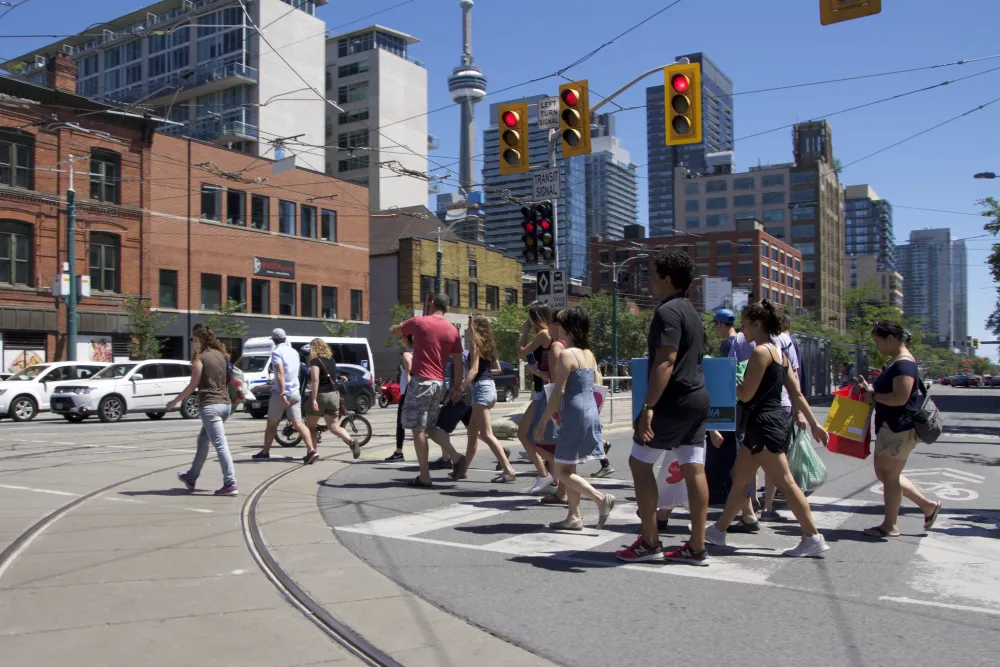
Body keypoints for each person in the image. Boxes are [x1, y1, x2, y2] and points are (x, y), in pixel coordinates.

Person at [705, 300, 830, 558]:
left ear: (758, 324)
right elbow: (797, 393)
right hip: (766, 423)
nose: (741, 330)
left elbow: (746, 394)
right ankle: (718, 530)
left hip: (763, 424)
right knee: (740, 479)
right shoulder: (779, 353)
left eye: (745, 325)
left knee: (785, 482)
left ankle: (812, 536)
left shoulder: (761, 353)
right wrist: (815, 424)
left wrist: (728, 380)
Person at [617, 249, 712, 565]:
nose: (649, 282)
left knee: (639, 463)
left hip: (672, 401)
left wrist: (648, 406)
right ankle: (697, 547)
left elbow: (666, 360)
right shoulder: (692, 312)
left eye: (653, 276)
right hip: (698, 399)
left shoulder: (666, 312)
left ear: (667, 278)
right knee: (693, 468)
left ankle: (649, 541)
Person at [857, 321, 941, 537]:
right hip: (892, 427)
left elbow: (900, 398)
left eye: (878, 341)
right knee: (887, 474)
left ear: (891, 339)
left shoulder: (904, 364)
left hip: (899, 428)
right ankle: (927, 506)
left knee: (890, 477)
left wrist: (873, 396)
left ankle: (890, 525)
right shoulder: (896, 362)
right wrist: (872, 389)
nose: (877, 346)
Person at [535, 307, 615, 530]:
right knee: (569, 467)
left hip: (572, 412)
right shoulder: (588, 353)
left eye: (560, 324)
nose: (556, 328)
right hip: (588, 411)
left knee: (561, 472)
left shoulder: (566, 355)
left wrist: (543, 421)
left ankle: (601, 499)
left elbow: (558, 391)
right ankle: (574, 516)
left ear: (568, 327)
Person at [390, 294, 464, 487]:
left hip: (421, 381)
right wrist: (457, 388)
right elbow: (458, 363)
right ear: (447, 308)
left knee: (418, 429)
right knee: (430, 426)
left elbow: (395, 332)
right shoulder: (452, 330)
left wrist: (400, 328)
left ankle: (424, 476)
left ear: (431, 304)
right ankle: (456, 458)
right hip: (439, 383)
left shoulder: (419, 322)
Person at [170, 324, 238, 496]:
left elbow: (193, 384)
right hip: (225, 405)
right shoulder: (222, 356)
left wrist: (174, 401)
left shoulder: (200, 359)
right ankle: (191, 476)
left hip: (210, 406)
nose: (192, 342)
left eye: (193, 339)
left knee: (220, 444)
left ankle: (230, 483)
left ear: (199, 339)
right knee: (203, 441)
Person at [456, 315, 517, 483]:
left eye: (470, 325)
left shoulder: (476, 344)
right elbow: (493, 369)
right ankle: (463, 470)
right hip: (488, 387)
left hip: (481, 388)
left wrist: (460, 388)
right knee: (472, 433)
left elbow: (474, 370)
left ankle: (508, 469)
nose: (468, 328)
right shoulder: (488, 344)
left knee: (486, 434)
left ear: (475, 327)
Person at [516, 302, 560, 498]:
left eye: (529, 318)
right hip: (548, 392)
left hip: (545, 392)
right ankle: (553, 479)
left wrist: (524, 332)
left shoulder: (543, 335)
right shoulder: (555, 336)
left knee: (524, 434)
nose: (528, 322)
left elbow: (520, 352)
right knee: (545, 440)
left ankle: (545, 476)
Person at [253, 328, 313, 460]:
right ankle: (311, 450)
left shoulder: (276, 352)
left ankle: (265, 452)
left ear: (274, 340)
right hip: (295, 392)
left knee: (271, 424)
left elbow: (280, 373)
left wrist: (282, 393)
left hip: (282, 394)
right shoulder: (294, 352)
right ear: (285, 338)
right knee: (298, 423)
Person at [306, 338, 363, 462]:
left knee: (310, 426)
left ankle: (312, 452)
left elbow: (315, 380)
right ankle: (351, 441)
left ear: (314, 349)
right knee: (334, 427)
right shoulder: (331, 360)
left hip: (321, 394)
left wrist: (314, 399)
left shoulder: (315, 361)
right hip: (333, 395)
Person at [385, 335, 414, 462]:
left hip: (407, 392)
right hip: (408, 391)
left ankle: (399, 452)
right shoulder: (417, 352)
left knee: (401, 423)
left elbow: (409, 374)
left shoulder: (408, 354)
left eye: (401, 337)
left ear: (407, 339)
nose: (400, 339)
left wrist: (409, 392)